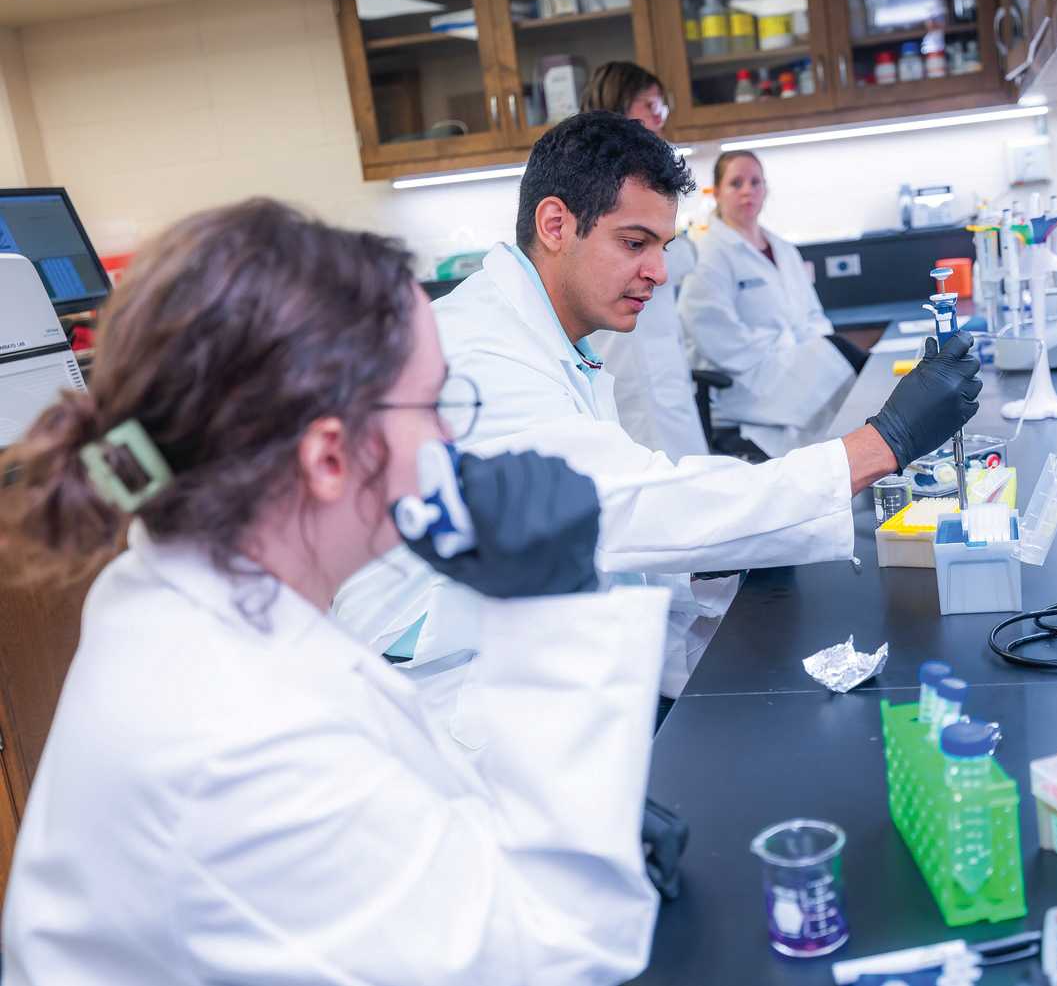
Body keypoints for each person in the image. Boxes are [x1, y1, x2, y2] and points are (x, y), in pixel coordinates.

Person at [0, 199, 671, 985]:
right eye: (433, 404)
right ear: (328, 457)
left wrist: (529, 819)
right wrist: (553, 618)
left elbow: (382, 787)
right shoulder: (233, 736)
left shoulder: (182, 580)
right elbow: (566, 953)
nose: (453, 439)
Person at [334, 111, 981, 713]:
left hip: (524, 665)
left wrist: (718, 555)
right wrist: (884, 441)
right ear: (556, 225)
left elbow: (616, 535)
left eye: (662, 246)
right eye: (635, 242)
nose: (658, 272)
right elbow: (624, 506)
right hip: (451, 699)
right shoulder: (479, 350)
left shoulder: (552, 340)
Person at [677, 149, 869, 458]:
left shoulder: (784, 249)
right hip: (747, 381)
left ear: (766, 190)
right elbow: (715, 335)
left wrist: (808, 350)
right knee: (849, 372)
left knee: (851, 370)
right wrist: (789, 353)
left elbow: (813, 315)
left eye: (755, 182)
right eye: (735, 183)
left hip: (798, 363)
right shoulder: (708, 254)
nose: (747, 191)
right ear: (716, 193)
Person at [580, 62, 707, 460]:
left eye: (661, 106)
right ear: (618, 105)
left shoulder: (641, 175)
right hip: (628, 360)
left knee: (685, 476)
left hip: (657, 359)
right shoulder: (603, 179)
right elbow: (670, 258)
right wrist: (679, 248)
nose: (658, 116)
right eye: (648, 104)